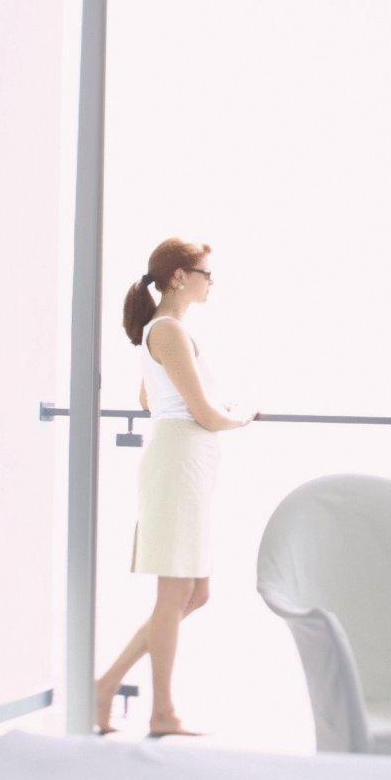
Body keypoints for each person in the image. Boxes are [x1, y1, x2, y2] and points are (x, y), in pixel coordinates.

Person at [95, 238, 257, 736]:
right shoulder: (166, 330)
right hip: (178, 464)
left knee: (196, 592)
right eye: (206, 274)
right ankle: (161, 712)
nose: (211, 283)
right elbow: (204, 413)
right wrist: (242, 415)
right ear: (179, 277)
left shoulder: (166, 331)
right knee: (175, 594)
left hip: (186, 463)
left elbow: (149, 397)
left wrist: (198, 408)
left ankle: (105, 686)